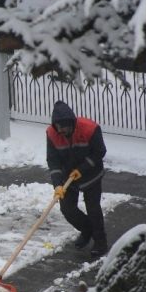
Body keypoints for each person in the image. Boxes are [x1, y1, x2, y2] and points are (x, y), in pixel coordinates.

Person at [46, 101, 108, 257]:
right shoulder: (52, 134)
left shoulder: (89, 129)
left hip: (91, 174)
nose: (61, 131)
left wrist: (81, 170)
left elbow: (100, 152)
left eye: (64, 127)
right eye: (58, 127)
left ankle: (101, 243)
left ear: (72, 123)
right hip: (69, 177)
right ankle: (87, 230)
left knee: (93, 208)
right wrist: (58, 185)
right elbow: (53, 161)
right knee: (67, 209)